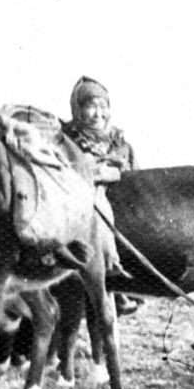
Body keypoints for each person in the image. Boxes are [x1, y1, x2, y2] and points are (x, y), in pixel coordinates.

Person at [62, 76, 138, 299]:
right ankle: (105, 269)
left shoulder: (120, 143)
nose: (98, 114)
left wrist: (114, 173)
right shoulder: (67, 140)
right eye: (90, 107)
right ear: (77, 109)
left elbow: (134, 176)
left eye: (103, 107)